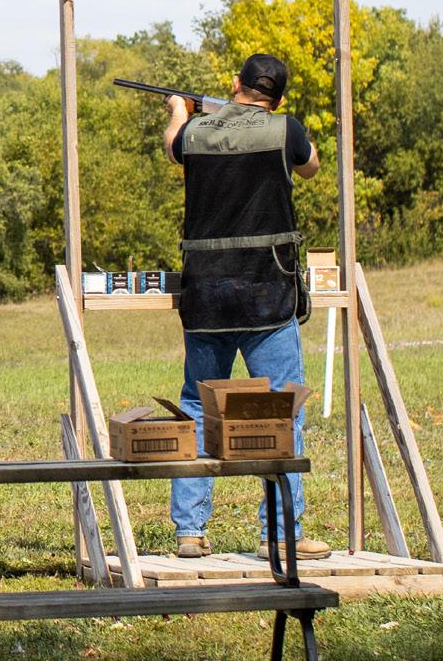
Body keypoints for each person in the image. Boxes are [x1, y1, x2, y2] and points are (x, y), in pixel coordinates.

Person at [161, 53, 329, 560]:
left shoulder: (197, 130)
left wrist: (179, 109)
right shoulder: (285, 130)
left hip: (207, 294)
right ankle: (279, 534)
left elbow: (173, 147)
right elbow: (312, 166)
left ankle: (190, 532)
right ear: (278, 97)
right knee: (279, 409)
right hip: (267, 292)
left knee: (196, 407)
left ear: (235, 83)